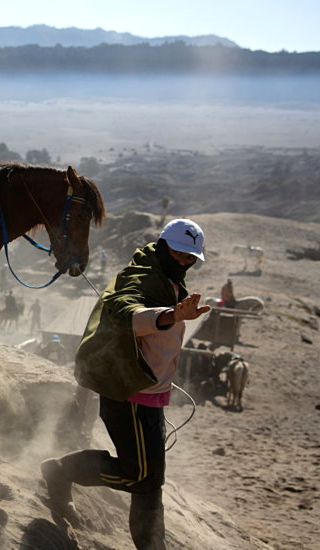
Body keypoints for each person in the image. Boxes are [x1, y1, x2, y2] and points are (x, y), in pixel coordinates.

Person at [41, 218, 211, 550]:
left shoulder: (167, 278)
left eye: (191, 258)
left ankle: (152, 545)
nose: (184, 262)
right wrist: (171, 316)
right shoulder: (141, 277)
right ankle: (60, 472)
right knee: (141, 478)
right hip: (130, 394)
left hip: (152, 393)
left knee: (151, 480)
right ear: (162, 248)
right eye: (179, 255)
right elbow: (124, 311)